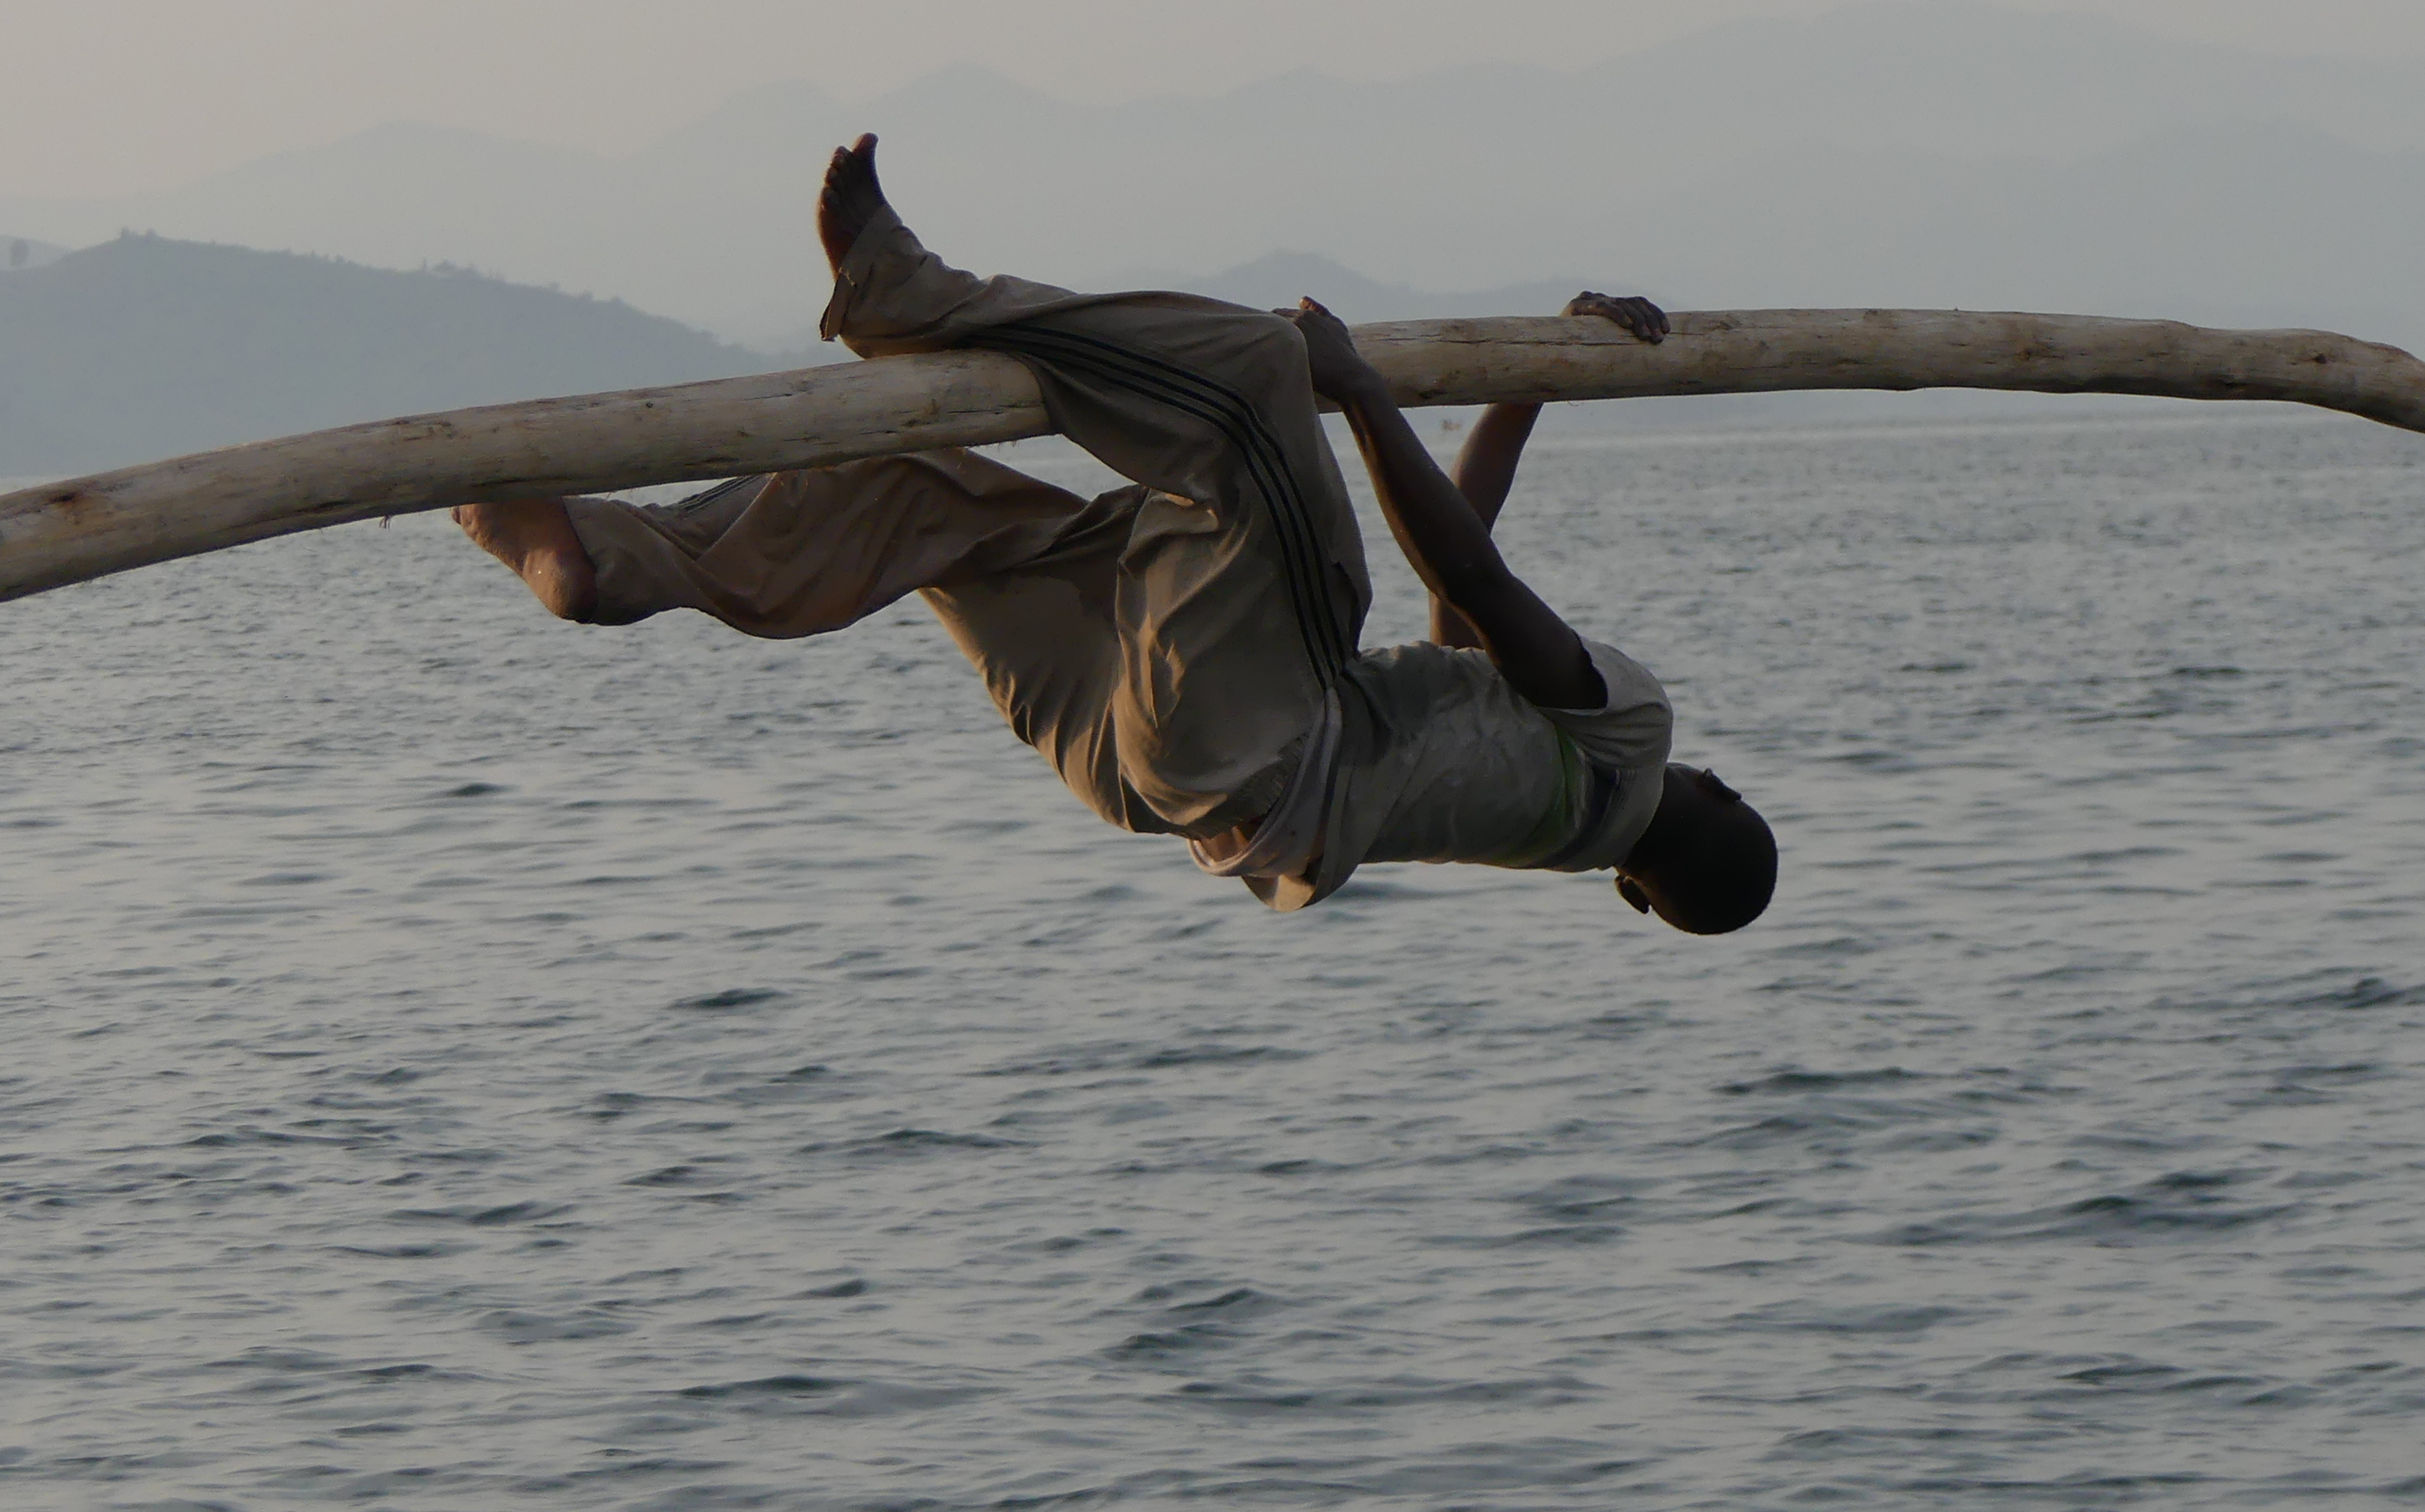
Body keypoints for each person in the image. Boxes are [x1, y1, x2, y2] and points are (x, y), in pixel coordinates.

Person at [453, 138, 1776, 930]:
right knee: (922, 495)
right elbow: (1464, 590)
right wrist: (1535, 374)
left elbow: (1470, 570)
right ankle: (601, 562)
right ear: (1632, 890)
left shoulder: (1630, 735)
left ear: (1717, 790)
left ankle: (912, 296)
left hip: (1262, 726)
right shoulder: (1550, 822)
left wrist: (1366, 391)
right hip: (1150, 779)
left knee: (1257, 381)